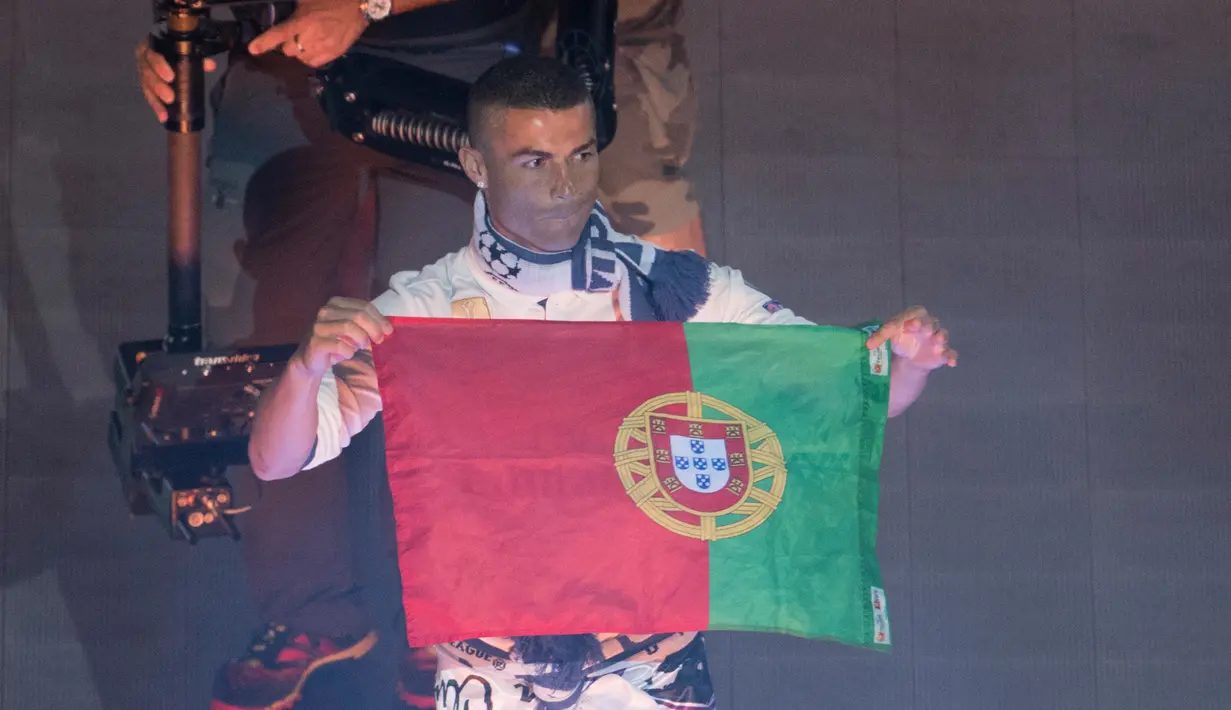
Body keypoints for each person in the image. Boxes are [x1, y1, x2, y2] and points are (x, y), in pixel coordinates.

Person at [248, 55, 958, 710]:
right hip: (494, 669)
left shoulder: (676, 287)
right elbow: (274, 460)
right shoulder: (421, 310)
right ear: (474, 162)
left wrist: (910, 363)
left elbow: (853, 398)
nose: (564, 185)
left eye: (580, 154)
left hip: (652, 661)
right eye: (533, 161)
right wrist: (306, 369)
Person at [135, 1, 706, 708]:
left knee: (451, 362)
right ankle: (309, 611)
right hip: (282, 62)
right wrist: (174, 35)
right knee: (274, 345)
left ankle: (444, 623)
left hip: (463, 63)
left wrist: (368, 4)